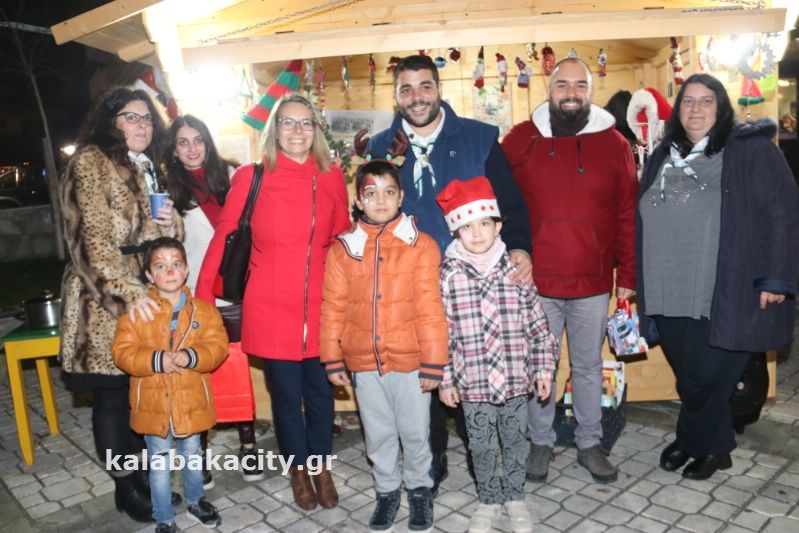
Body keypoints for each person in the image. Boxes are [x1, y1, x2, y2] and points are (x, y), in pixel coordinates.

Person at [363, 54, 533, 495]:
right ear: (396, 96)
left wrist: (519, 249)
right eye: (406, 89)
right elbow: (365, 215)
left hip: (475, 281)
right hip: (409, 284)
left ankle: (487, 454)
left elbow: (512, 204)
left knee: (475, 366)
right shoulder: (379, 147)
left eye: (424, 86)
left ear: (438, 89)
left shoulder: (480, 138)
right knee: (428, 370)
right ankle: (434, 456)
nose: (416, 97)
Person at [637, 73, 799, 480]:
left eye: (706, 100)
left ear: (721, 108)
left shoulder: (750, 150)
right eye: (688, 100)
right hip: (666, 287)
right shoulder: (663, 153)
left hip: (721, 288)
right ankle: (706, 442)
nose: (696, 108)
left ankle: (703, 443)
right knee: (690, 375)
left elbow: (782, 212)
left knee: (710, 375)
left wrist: (775, 277)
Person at [196, 93, 350, 510]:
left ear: (315, 130)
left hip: (321, 306)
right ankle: (297, 469)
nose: (297, 131)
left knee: (320, 394)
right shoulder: (252, 176)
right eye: (288, 122)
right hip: (271, 306)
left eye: (305, 123)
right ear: (274, 129)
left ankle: (320, 466)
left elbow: (342, 238)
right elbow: (224, 236)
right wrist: (202, 297)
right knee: (285, 397)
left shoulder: (331, 176)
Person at [501, 57, 638, 484]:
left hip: (592, 282)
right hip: (535, 282)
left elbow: (627, 214)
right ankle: (540, 443)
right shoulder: (521, 139)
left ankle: (589, 443)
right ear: (549, 88)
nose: (572, 93)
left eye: (580, 85)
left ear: (591, 91)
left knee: (588, 367)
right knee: (538, 365)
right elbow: (498, 200)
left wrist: (628, 277)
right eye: (563, 85)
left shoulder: (615, 144)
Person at [59, 86, 183, 522]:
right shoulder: (90, 161)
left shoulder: (147, 166)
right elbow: (90, 243)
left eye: (147, 118)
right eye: (131, 117)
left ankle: (145, 478)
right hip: (102, 299)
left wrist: (172, 223)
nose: (142, 125)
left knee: (138, 394)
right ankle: (126, 486)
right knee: (112, 397)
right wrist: (128, 294)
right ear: (110, 121)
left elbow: (162, 237)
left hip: (145, 290)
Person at [320, 160, 447, 532]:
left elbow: (431, 308)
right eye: (371, 193)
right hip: (364, 362)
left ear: (401, 196)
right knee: (378, 434)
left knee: (415, 432)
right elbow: (333, 308)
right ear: (359, 201)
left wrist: (434, 362)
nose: (380, 200)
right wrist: (332, 357)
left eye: (389, 192)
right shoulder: (344, 249)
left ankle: (420, 490)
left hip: (411, 363)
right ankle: (387, 491)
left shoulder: (421, 246)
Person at [435, 177, 558, 533]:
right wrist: (445, 379)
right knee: (482, 446)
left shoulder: (515, 270)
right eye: (467, 227)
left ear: (498, 225)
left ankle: (515, 496)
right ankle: (489, 499)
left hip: (516, 379)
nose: (476, 234)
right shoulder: (448, 276)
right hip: (472, 383)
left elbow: (538, 325)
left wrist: (543, 370)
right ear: (456, 231)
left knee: (515, 441)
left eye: (484, 224)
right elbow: (441, 333)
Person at [165, 114, 263, 487]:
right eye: (183, 142)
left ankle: (248, 446)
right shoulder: (169, 190)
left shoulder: (233, 177)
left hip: (238, 291)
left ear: (208, 142)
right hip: (196, 294)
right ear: (174, 150)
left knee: (238, 371)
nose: (192, 148)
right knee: (198, 373)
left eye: (198, 140)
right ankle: (200, 452)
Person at [112, 238, 227, 532]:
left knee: (193, 455)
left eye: (176, 264)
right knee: (160, 465)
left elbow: (218, 346)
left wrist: (191, 356)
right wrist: (155, 360)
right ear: (149, 276)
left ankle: (196, 501)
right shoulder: (137, 314)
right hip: (154, 406)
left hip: (191, 401)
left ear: (186, 270)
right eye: (161, 266)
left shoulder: (205, 312)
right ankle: (163, 517)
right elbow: (122, 352)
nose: (170, 271)